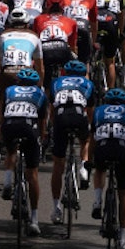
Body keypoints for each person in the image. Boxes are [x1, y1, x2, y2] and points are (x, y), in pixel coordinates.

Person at [0, 67, 48, 237]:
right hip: (29, 128)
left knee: (11, 150)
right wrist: (42, 139)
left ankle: (7, 182)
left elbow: (4, 113)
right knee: (32, 173)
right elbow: (42, 120)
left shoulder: (9, 90)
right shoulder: (40, 93)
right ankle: (34, 219)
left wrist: (1, 135)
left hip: (9, 126)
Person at [90, 87, 125, 249]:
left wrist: (90, 161)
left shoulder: (98, 111)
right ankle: (123, 238)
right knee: (123, 193)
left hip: (102, 148)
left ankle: (97, 201)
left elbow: (93, 139)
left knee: (100, 170)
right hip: (121, 149)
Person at [49, 59, 94, 224]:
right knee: (86, 140)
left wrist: (52, 130)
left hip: (61, 117)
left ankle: (56, 208)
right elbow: (90, 110)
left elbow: (52, 110)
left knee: (58, 164)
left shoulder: (56, 83)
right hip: (78, 116)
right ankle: (83, 167)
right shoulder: (87, 83)